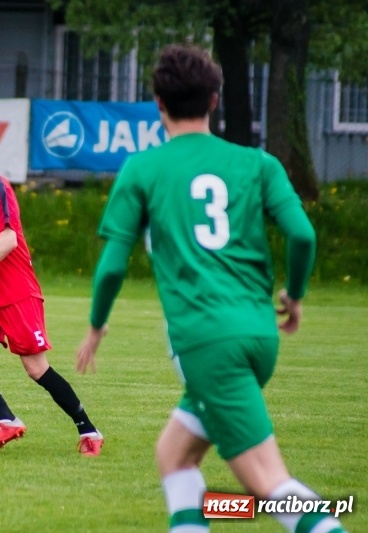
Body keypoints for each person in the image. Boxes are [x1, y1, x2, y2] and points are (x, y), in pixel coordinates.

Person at [76, 44, 347, 533]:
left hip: (206, 341)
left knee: (268, 485)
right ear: (215, 100)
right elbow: (303, 234)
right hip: (258, 334)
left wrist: (96, 326)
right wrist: (297, 294)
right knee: (174, 456)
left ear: (158, 102)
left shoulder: (142, 169)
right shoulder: (257, 164)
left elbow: (112, 267)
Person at [0, 121, 103, 456]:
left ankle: (89, 429)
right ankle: (6, 419)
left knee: (36, 369)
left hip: (18, 294)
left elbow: (9, 240)